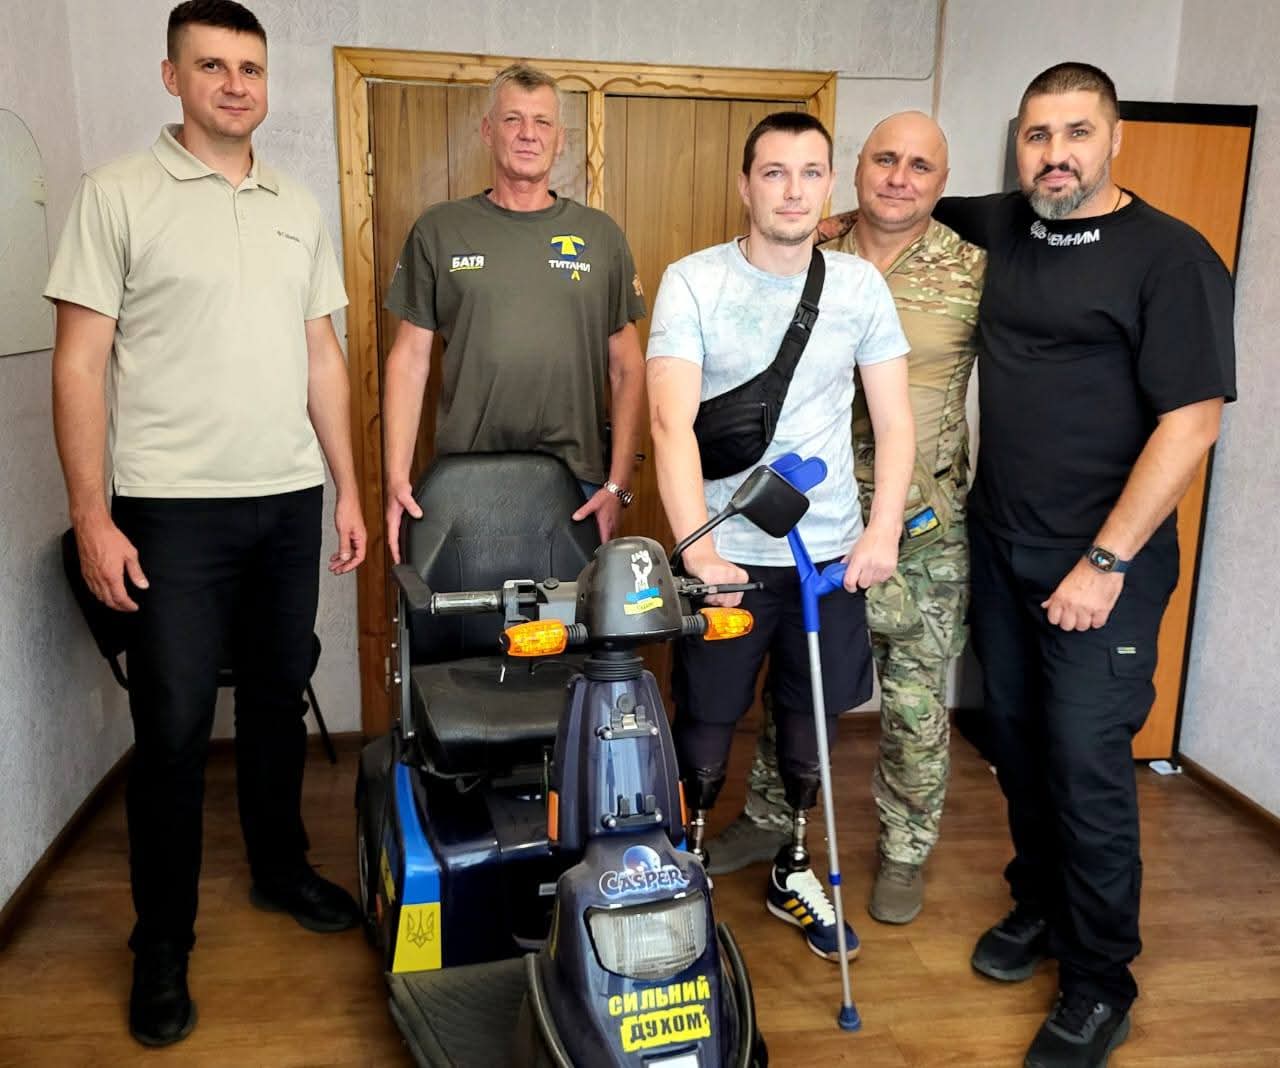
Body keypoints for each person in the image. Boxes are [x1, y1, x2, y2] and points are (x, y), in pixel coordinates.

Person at [833, 63, 1235, 1068]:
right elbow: (900, 200)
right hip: (1000, 544)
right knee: (1013, 746)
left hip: (1103, 564)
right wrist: (813, 214)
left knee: (1083, 765)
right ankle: (1041, 907)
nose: (1055, 155)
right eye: (1037, 135)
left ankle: (1099, 983)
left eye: (1076, 133)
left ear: (1115, 139)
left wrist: (1104, 560)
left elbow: (1191, 425)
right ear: (1017, 145)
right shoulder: (1002, 223)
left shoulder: (1170, 257)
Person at [46, 0, 366, 1048]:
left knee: (275, 700)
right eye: (213, 65)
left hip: (286, 500)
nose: (235, 84)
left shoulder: (297, 204)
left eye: (251, 68)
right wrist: (92, 517)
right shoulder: (116, 194)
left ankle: (279, 869)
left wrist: (347, 487)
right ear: (172, 77)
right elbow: (79, 364)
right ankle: (161, 943)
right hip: (168, 513)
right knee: (176, 729)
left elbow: (321, 356)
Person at [705, 112, 985, 929]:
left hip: (920, 528)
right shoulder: (810, 247)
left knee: (913, 703)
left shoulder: (974, 271)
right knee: (801, 685)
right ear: (854, 171)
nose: (900, 177)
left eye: (921, 166)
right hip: (810, 519)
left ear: (943, 182)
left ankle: (904, 849)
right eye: (885, 160)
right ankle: (771, 819)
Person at [647, 111, 914, 964]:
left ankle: (793, 863)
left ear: (828, 184)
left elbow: (894, 422)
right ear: (745, 185)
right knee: (706, 717)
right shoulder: (692, 282)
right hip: (724, 556)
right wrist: (697, 549)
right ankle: (687, 857)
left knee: (810, 722)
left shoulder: (860, 288)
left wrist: (882, 531)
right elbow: (669, 423)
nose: (793, 191)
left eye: (809, 173)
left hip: (826, 562)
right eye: (773, 172)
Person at [381, 64, 646, 555]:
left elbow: (627, 367)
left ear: (560, 139)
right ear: (488, 130)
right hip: (466, 480)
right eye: (512, 119)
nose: (528, 134)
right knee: (469, 607)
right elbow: (409, 360)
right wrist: (396, 477)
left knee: (574, 608)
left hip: (577, 486)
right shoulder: (439, 229)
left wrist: (618, 484)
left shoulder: (600, 235)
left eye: (543, 121)